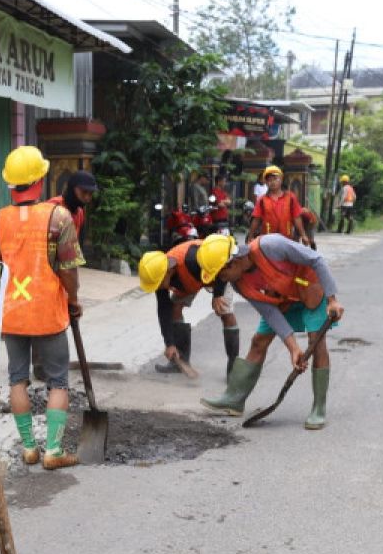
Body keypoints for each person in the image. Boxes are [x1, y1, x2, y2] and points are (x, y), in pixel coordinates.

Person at [0, 145, 83, 470]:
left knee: (17, 379)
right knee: (58, 381)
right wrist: (73, 300)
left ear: (10, 184)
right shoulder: (59, 217)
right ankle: (53, 450)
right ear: (40, 179)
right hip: (48, 314)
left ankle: (29, 448)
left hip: (12, 315)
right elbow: (68, 270)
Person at [199, 233, 344, 430]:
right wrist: (293, 348)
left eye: (220, 276)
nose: (221, 282)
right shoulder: (239, 283)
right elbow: (270, 313)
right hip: (282, 301)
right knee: (259, 341)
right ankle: (234, 399)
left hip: (310, 290)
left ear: (233, 263)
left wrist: (332, 299)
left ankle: (319, 407)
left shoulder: (270, 246)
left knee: (315, 342)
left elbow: (315, 259)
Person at [137, 241, 242, 378]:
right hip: (189, 282)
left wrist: (218, 294)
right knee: (174, 309)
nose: (158, 287)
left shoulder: (192, 259)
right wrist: (169, 343)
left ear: (168, 271)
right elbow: (163, 309)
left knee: (224, 312)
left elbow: (221, 267)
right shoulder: (159, 275)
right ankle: (180, 360)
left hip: (217, 273)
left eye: (158, 283)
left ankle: (233, 367)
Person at [249, 166, 312, 245]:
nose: (272, 182)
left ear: (281, 179)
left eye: (275, 179)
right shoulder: (262, 200)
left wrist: (303, 235)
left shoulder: (290, 197)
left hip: (287, 239)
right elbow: (256, 219)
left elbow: (297, 218)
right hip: (267, 241)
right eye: (269, 180)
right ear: (266, 182)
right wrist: (250, 236)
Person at [48, 170, 98, 245]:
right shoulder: (53, 206)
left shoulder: (80, 212)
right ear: (72, 188)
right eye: (84, 192)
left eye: (90, 194)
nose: (87, 198)